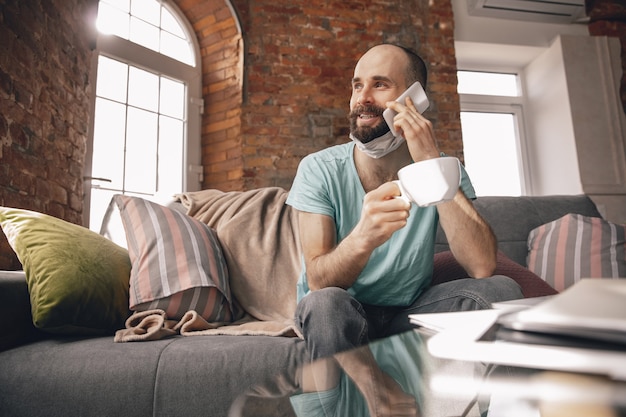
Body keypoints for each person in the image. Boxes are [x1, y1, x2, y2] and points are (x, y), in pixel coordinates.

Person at [286, 43, 524, 361]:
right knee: (324, 304)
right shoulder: (319, 168)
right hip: (342, 309)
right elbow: (318, 281)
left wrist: (430, 163)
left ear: (414, 98)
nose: (363, 98)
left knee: (500, 290)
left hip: (409, 311)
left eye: (379, 84)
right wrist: (363, 237)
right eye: (357, 85)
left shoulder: (443, 168)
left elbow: (481, 265)